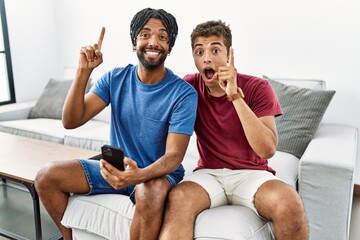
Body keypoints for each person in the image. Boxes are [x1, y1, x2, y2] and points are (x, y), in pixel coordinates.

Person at [35, 8, 197, 240]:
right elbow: (70, 121)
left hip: (157, 175)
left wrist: (137, 176)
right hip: (116, 169)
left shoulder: (183, 94)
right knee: (46, 176)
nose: (154, 42)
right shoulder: (115, 78)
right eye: (145, 34)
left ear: (169, 47)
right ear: (134, 42)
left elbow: (174, 157)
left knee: (150, 191)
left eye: (162, 37)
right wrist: (83, 72)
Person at [159, 20, 308, 240]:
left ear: (229, 55)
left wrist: (235, 96)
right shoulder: (189, 86)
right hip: (208, 173)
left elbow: (267, 150)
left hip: (252, 174)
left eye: (215, 50)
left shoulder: (258, 87)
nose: (206, 57)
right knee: (178, 198)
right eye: (199, 51)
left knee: (289, 202)